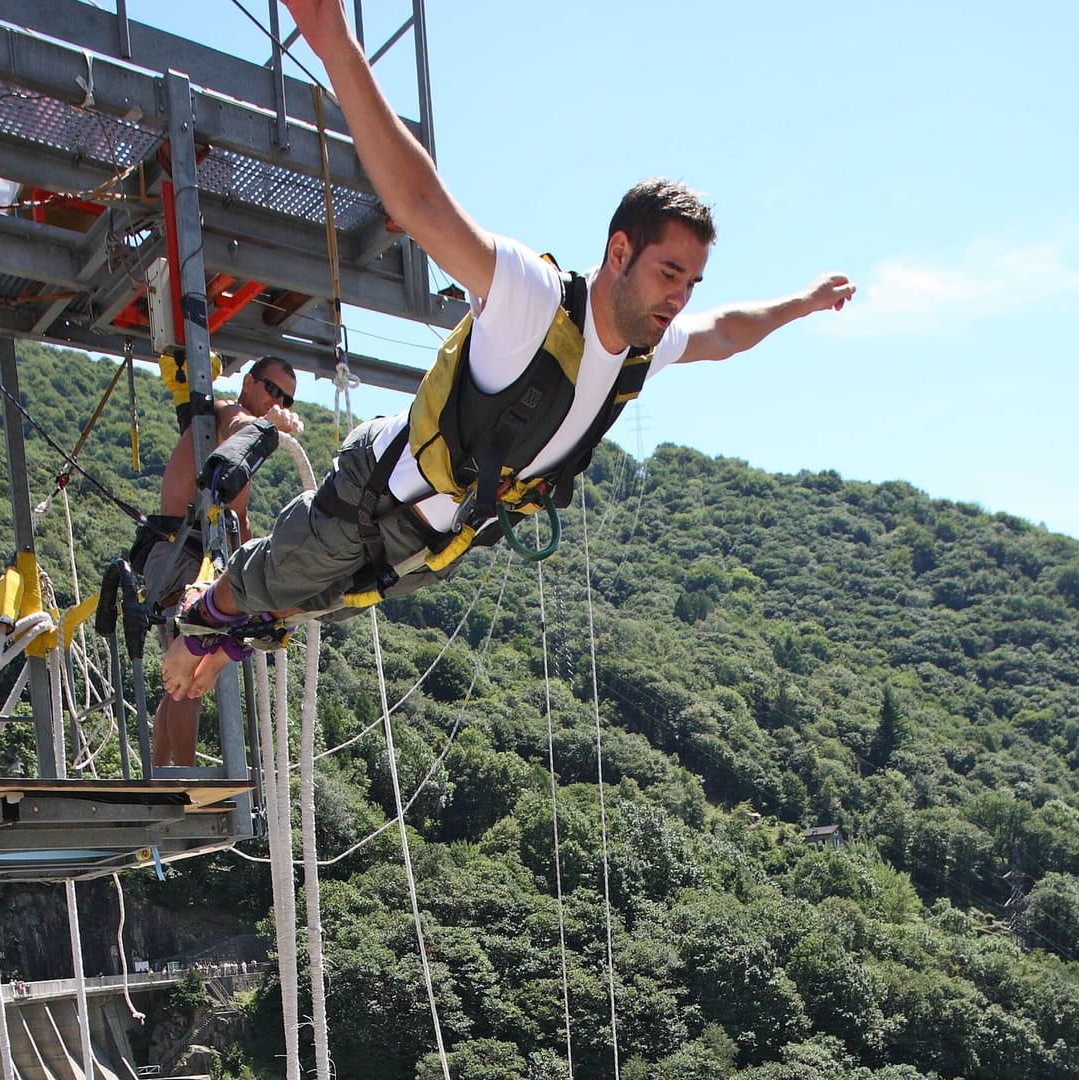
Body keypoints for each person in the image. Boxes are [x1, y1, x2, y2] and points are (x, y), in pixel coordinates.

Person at [160, 0, 857, 700]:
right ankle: (195, 618)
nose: (679, 298)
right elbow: (422, 206)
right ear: (620, 251)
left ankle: (221, 635)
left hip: (433, 545)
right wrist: (336, 44)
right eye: (668, 274)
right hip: (372, 501)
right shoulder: (535, 298)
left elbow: (727, 333)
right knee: (259, 590)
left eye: (690, 283)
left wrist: (802, 302)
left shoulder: (644, 342)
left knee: (297, 607)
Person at [144, 357, 302, 768]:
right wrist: (267, 425)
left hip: (200, 551)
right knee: (192, 663)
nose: (278, 401)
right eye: (272, 389)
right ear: (249, 382)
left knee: (183, 678)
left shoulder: (242, 450)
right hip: (179, 547)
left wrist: (253, 581)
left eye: (286, 398)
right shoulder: (228, 415)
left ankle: (164, 773)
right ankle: (182, 776)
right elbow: (236, 427)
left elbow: (240, 520)